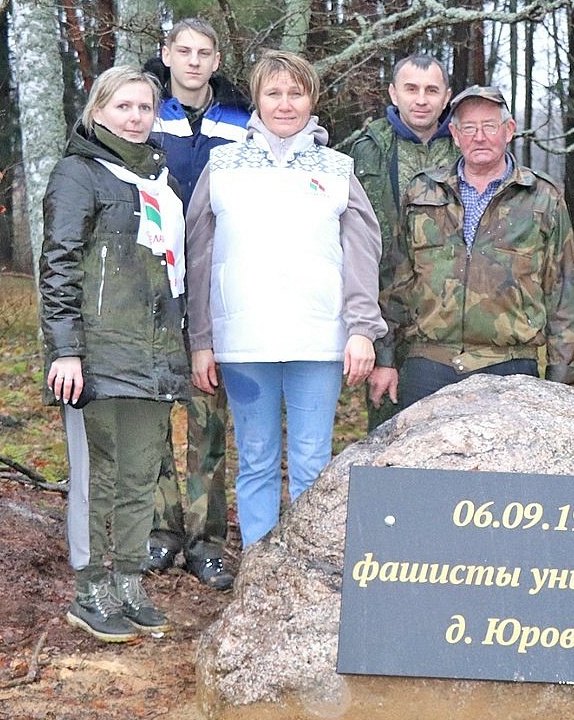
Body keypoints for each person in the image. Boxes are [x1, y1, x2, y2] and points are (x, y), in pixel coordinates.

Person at [184, 50, 387, 547]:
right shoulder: (222, 163)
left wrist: (362, 330)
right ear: (256, 98)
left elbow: (362, 253)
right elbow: (199, 256)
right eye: (273, 93)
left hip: (318, 341)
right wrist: (201, 340)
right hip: (243, 343)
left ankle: (304, 567)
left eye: (296, 93)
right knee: (254, 458)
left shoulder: (338, 169)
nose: (285, 103)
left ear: (312, 100)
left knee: (313, 459)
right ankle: (259, 564)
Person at [41, 65, 188, 642]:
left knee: (138, 474)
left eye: (144, 108)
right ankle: (89, 588)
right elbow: (59, 267)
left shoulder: (158, 180)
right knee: (94, 477)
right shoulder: (78, 174)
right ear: (97, 111)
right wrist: (65, 350)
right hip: (97, 356)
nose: (134, 117)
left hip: (154, 356)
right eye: (122, 107)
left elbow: (171, 273)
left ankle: (128, 579)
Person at [369, 86, 574, 408]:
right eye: (469, 128)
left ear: (508, 131)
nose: (479, 137)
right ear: (455, 135)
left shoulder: (542, 197)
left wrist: (562, 380)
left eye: (489, 126)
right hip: (429, 364)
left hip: (510, 367)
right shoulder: (422, 193)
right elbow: (396, 281)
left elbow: (562, 294)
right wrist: (385, 358)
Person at [140, 17, 251, 590]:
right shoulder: (143, 108)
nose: (192, 61)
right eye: (182, 51)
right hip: (153, 282)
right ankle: (161, 532)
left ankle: (208, 541)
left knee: (207, 416)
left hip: (213, 282)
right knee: (156, 411)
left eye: (203, 52)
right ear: (167, 53)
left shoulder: (240, 117)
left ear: (214, 59)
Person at [349, 54, 459, 432]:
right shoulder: (368, 150)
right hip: (387, 323)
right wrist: (382, 355)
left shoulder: (467, 147)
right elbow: (359, 252)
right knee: (391, 443)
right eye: (411, 89)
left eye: (432, 90)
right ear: (394, 93)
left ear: (447, 97)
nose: (421, 100)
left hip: (451, 329)